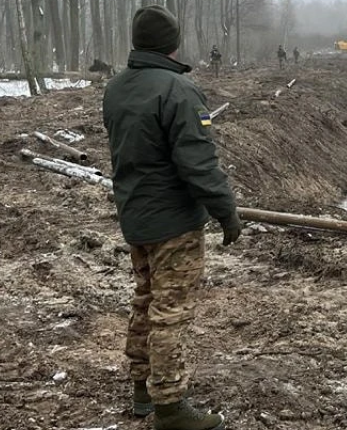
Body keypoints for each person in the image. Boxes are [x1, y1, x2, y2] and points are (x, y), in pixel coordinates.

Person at [103, 5, 240, 429]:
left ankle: (142, 389)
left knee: (145, 299)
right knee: (170, 312)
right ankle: (170, 407)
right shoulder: (179, 90)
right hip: (173, 223)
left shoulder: (115, 88)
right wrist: (226, 212)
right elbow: (198, 163)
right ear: (172, 43)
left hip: (136, 217)